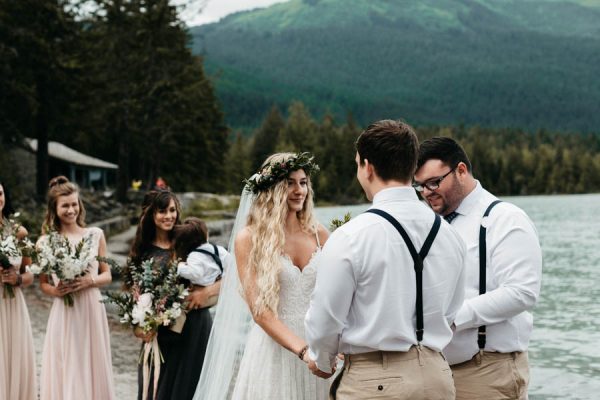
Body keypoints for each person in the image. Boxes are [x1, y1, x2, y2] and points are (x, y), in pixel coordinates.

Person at [305, 120, 466, 400]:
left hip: (376, 381)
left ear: (367, 167)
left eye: (357, 164)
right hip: (437, 375)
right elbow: (452, 311)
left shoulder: (351, 236)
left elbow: (326, 317)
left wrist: (321, 359)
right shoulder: (451, 235)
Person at [194, 152, 330, 400]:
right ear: (272, 188)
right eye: (290, 183)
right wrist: (302, 351)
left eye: (303, 182)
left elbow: (336, 296)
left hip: (319, 348)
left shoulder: (320, 234)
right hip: (275, 351)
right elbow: (260, 312)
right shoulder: (249, 238)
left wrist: (334, 343)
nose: (299, 190)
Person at [414, 137, 542, 400]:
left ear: (461, 170)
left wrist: (453, 318)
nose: (427, 192)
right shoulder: (429, 226)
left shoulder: (505, 218)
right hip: (435, 373)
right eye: (420, 186)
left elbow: (522, 291)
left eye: (434, 182)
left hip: (488, 372)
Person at [128, 190, 220, 400]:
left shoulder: (191, 241)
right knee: (156, 387)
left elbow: (229, 275)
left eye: (172, 210)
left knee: (189, 387)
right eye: (162, 211)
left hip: (195, 325)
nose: (169, 216)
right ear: (151, 215)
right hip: (161, 331)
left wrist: (206, 292)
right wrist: (140, 326)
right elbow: (136, 294)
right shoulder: (142, 252)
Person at [38, 176, 115, 400]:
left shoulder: (95, 234)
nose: (71, 209)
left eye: (74, 204)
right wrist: (56, 291)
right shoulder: (45, 242)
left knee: (91, 362)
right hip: (65, 311)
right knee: (68, 363)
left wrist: (89, 281)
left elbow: (107, 274)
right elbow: (43, 283)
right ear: (54, 209)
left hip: (91, 308)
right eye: (65, 205)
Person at [168, 217, 226, 400]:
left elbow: (194, 273)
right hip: (206, 300)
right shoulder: (218, 250)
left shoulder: (193, 256)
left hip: (197, 310)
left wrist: (179, 267)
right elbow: (231, 267)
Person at [0, 180, 36, 400]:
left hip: (12, 305)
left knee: (13, 358)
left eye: (0, 193)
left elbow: (32, 273)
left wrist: (17, 278)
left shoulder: (19, 232)